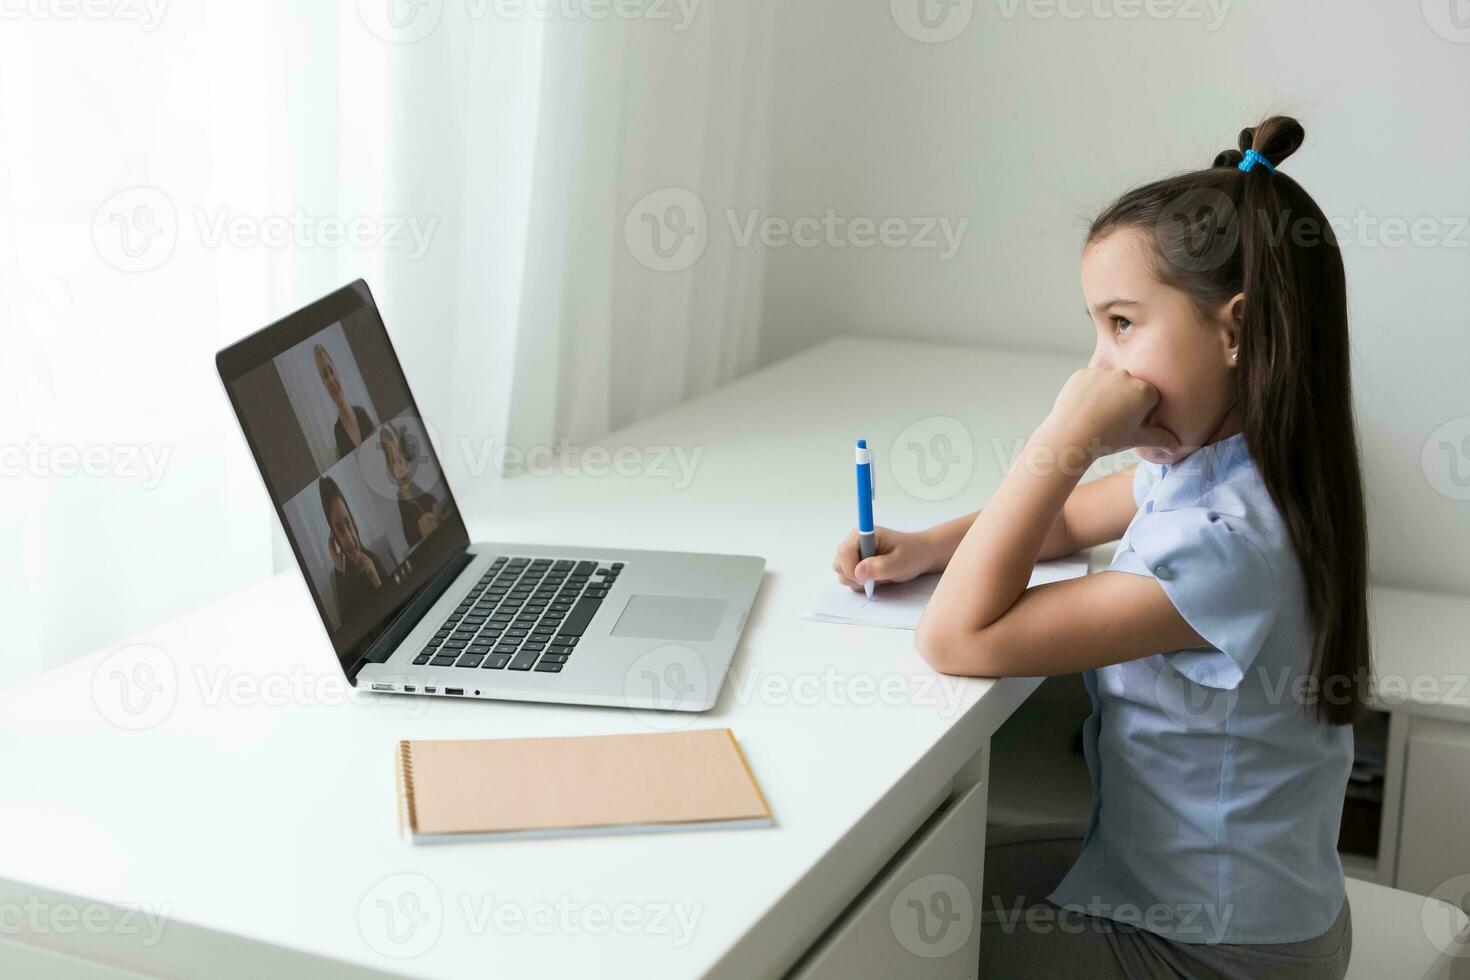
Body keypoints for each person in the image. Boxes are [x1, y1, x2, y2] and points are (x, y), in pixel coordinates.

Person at [832, 117, 1361, 978]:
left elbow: (957, 641)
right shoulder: (1227, 462)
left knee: (881, 947)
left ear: (1237, 330)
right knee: (901, 892)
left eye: (1122, 324)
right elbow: (1071, 521)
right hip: (1179, 895)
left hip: (1214, 953)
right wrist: (931, 545)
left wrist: (1064, 435)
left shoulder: (1225, 544)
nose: (1098, 370)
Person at [320, 475, 388, 630]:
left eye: (348, 524)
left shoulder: (373, 560)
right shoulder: (340, 575)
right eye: (339, 530)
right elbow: (350, 632)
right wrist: (340, 571)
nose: (350, 540)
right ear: (334, 537)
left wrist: (377, 582)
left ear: (354, 523)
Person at [377, 422, 441, 547]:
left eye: (401, 455)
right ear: (389, 467)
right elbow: (408, 543)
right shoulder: (397, 510)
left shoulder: (424, 493)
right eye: (394, 461)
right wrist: (419, 532)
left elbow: (434, 505)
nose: (400, 467)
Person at [314, 342, 376, 461]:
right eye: (325, 376)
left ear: (337, 372)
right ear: (324, 384)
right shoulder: (338, 431)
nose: (331, 379)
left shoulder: (361, 413)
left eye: (331, 371)